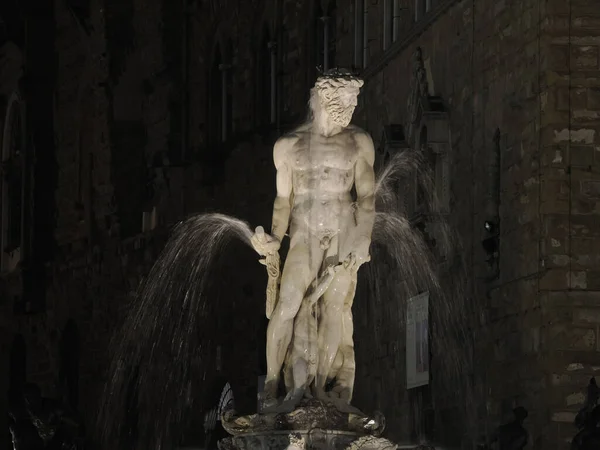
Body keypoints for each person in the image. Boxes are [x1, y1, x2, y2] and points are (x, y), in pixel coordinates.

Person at [251, 69, 375, 411]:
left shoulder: (358, 142)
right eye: (347, 99)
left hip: (342, 235)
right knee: (288, 304)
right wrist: (275, 237)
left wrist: (363, 238)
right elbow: (282, 201)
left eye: (354, 100)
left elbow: (366, 197)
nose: (352, 107)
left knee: (335, 308)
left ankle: (321, 391)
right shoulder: (288, 147)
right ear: (325, 96)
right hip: (304, 235)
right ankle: (272, 386)